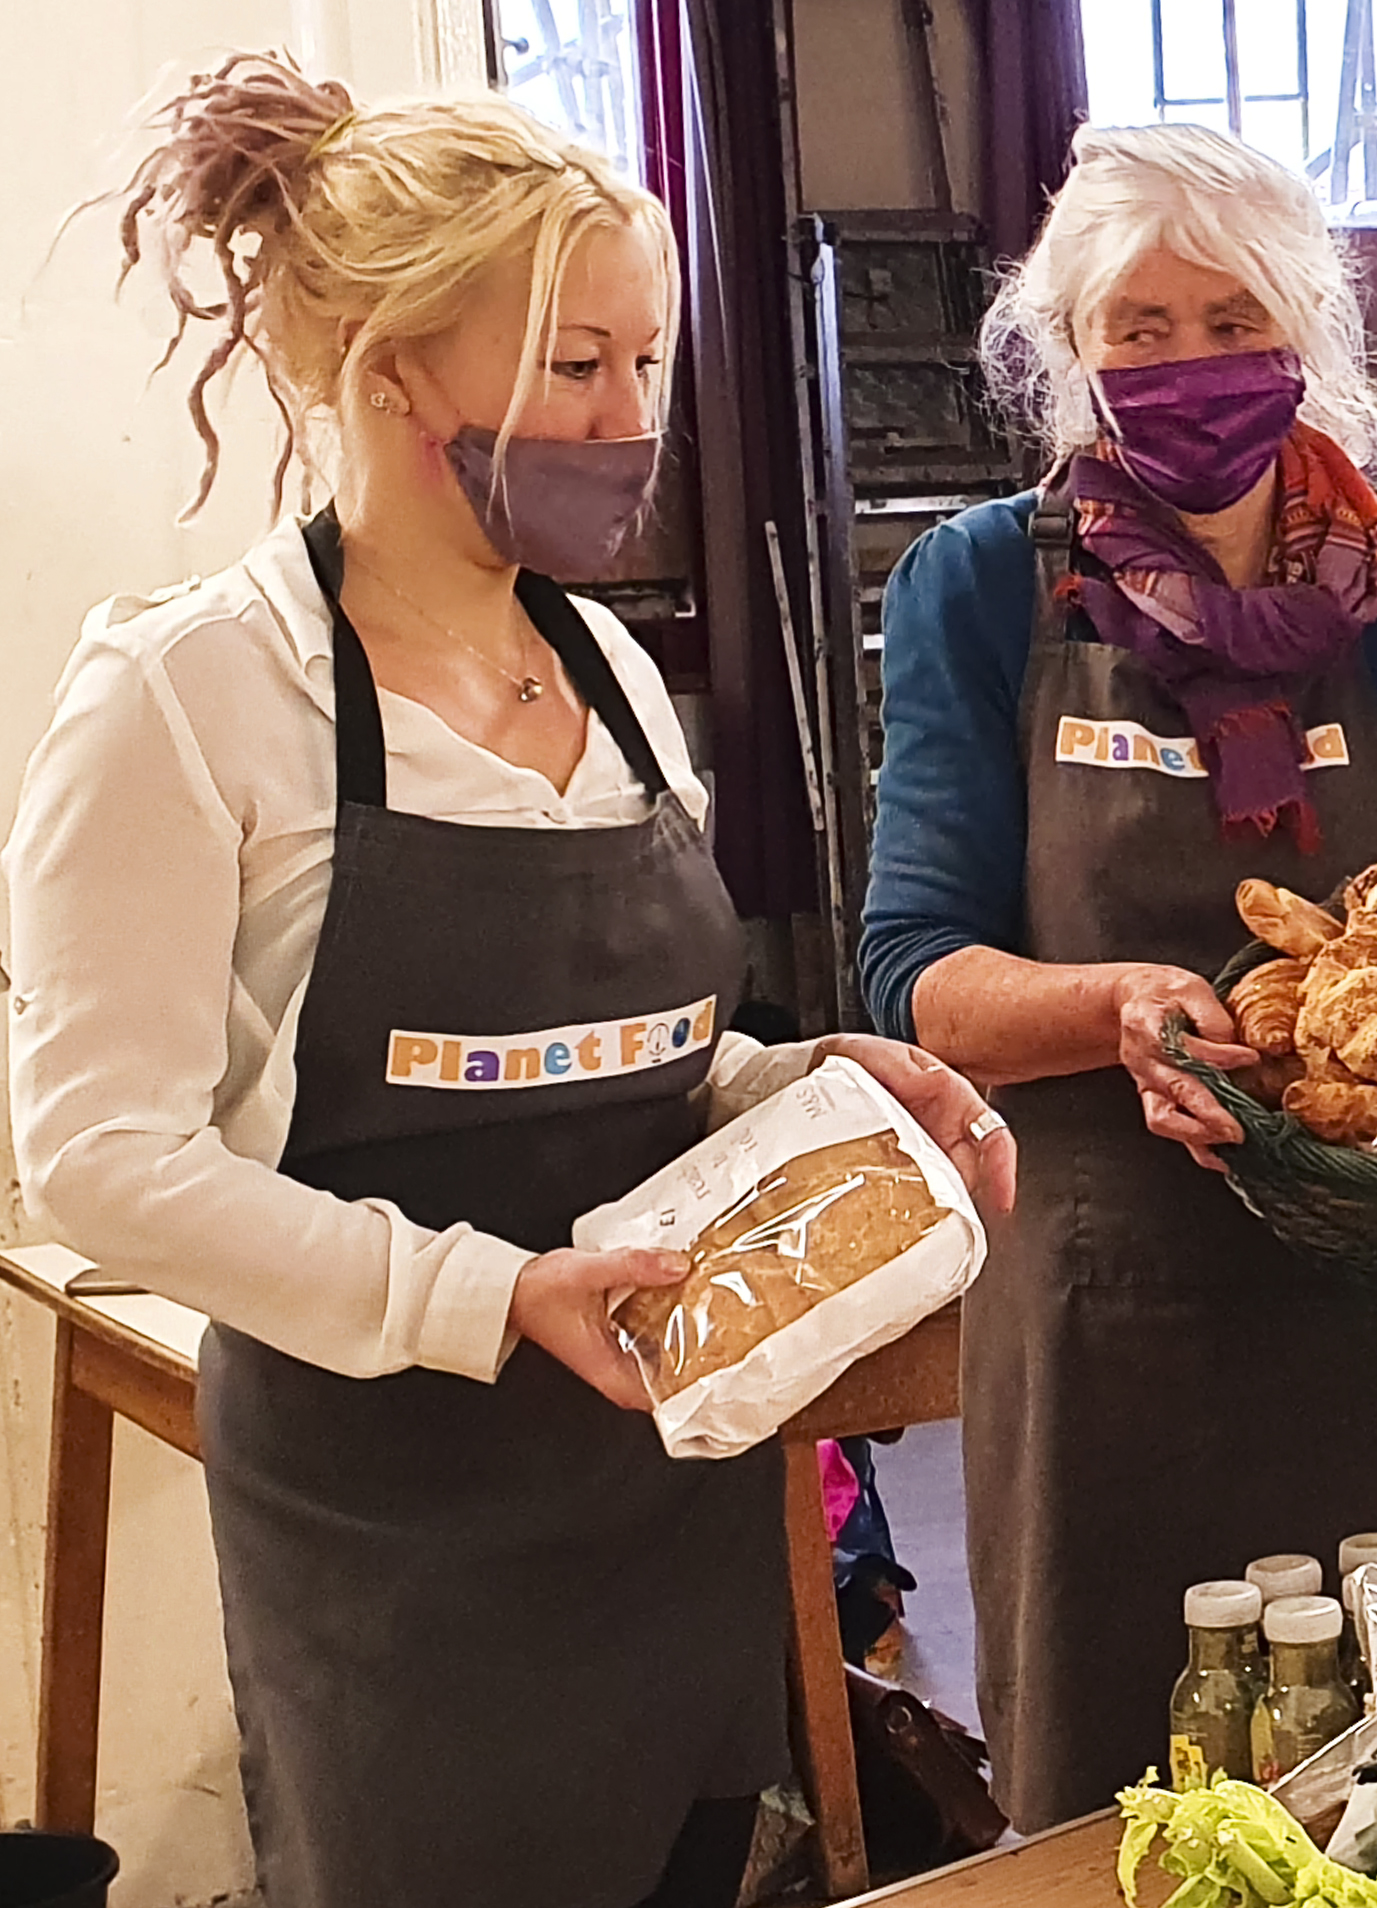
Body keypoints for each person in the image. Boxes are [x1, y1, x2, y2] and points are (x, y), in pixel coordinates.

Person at [3, 56, 1011, 1908]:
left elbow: (643, 1061)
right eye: (575, 366)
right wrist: (486, 1292)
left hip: (670, 1497)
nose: (633, 418)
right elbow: (95, 1158)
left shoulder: (613, 673)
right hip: (398, 1539)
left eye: (648, 360)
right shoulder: (196, 695)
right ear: (394, 370)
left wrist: (815, 1089)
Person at [858, 122, 1377, 1828]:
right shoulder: (988, 589)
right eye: (1136, 329)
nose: (1187, 363)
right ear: (1071, 355)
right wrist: (1112, 1008)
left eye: (1230, 321)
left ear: (1306, 334)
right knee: (1122, 1792)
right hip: (1110, 1305)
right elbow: (911, 968)